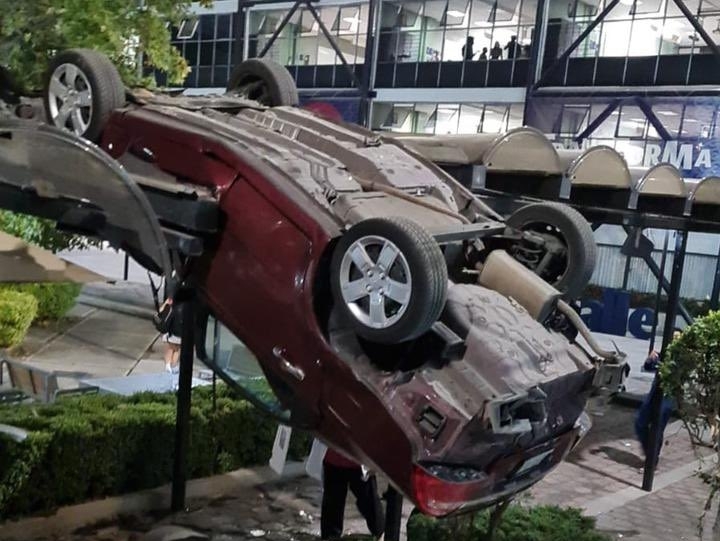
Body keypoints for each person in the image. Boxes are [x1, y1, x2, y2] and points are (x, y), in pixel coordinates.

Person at [634, 328, 682, 467]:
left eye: (677, 337)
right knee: (640, 423)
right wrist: (650, 358)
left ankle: (652, 461)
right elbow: (648, 367)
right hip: (654, 393)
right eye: (672, 337)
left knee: (657, 427)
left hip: (668, 395)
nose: (674, 340)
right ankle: (650, 452)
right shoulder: (664, 354)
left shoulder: (682, 358)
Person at [321, 447, 385, 540]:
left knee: (369, 503)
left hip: (358, 460)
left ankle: (380, 533)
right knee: (332, 507)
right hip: (334, 458)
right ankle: (330, 536)